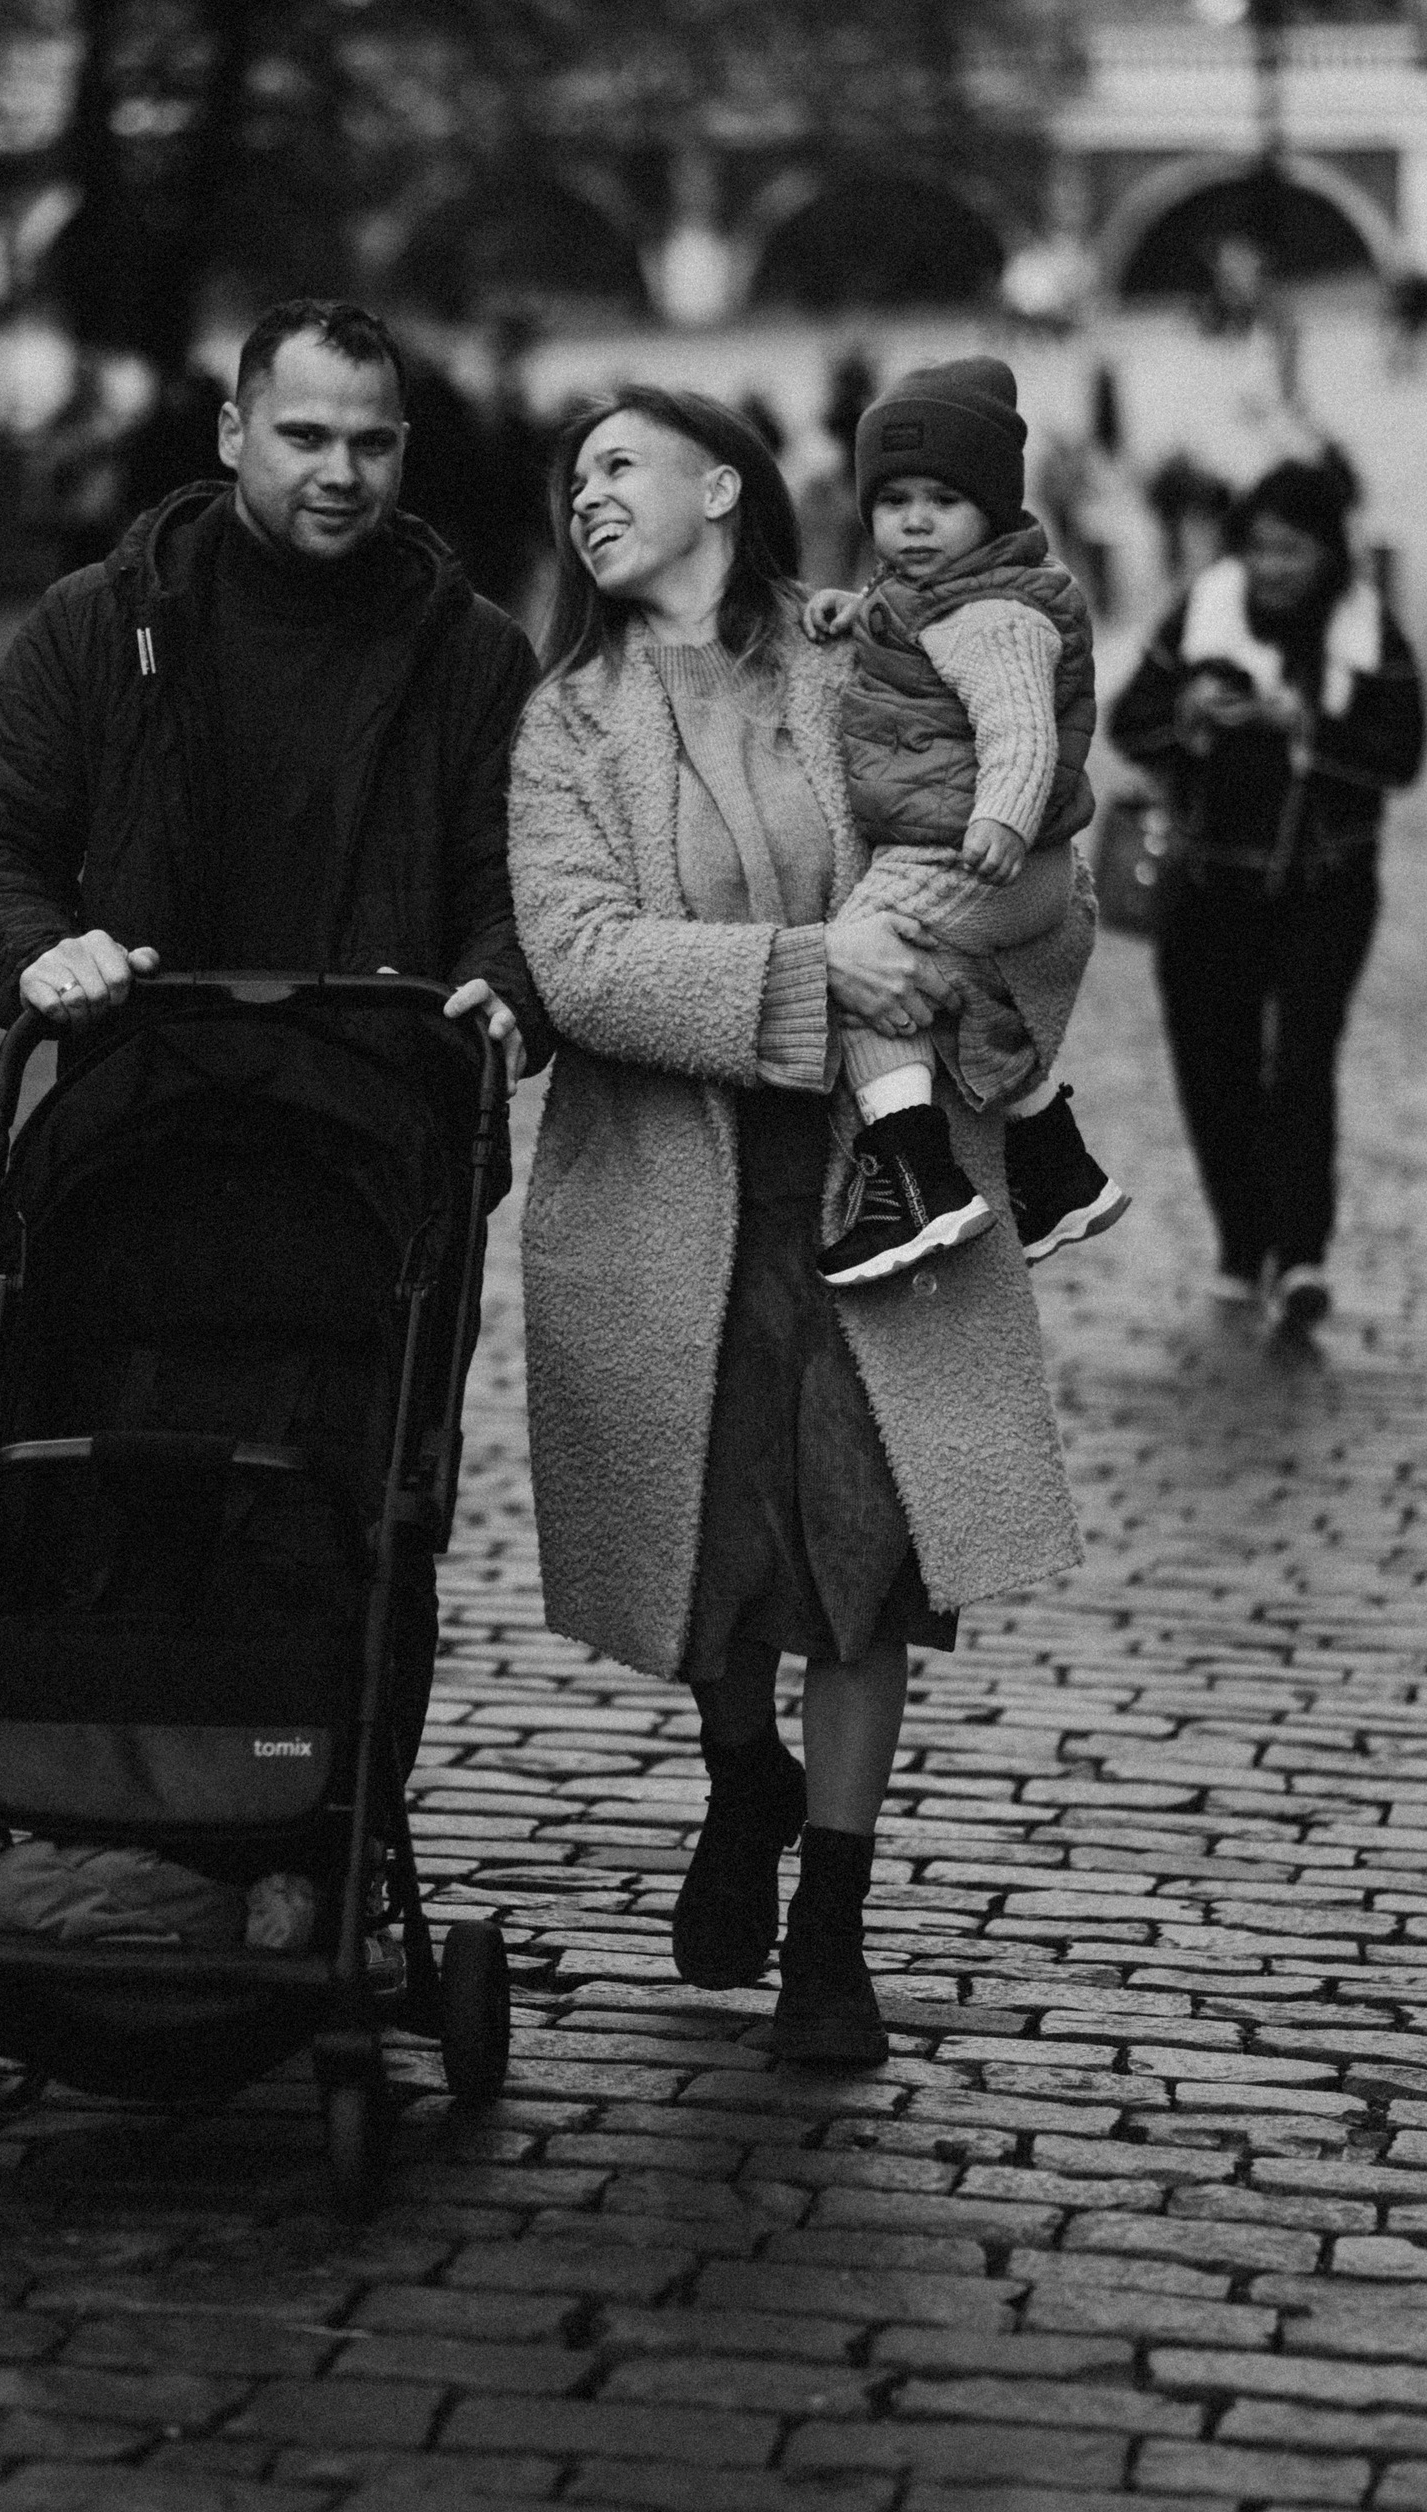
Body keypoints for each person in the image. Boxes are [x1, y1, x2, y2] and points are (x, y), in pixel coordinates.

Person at [508, 386, 1083, 2067]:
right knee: (713, 1548)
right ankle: (740, 1774)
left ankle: (832, 1920)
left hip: (879, 1183)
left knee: (862, 1557)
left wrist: (971, 949)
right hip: (669, 1196)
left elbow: (1026, 826)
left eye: (620, 463)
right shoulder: (567, 723)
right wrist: (814, 967)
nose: (587, 494)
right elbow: (581, 963)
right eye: (574, 476)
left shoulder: (860, 654)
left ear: (722, 488)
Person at [0, 294, 551, 1766]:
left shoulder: (473, 656)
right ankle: (68, 1789)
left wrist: (504, 992)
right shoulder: (101, 623)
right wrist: (42, 955)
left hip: (378, 1154)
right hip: (139, 1134)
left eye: (372, 444)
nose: (340, 472)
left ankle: (320, 1822)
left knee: (354, 1500)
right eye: (304, 436)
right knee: (94, 1472)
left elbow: (522, 885)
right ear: (231, 432)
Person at [801, 357, 1128, 1286]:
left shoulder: (993, 618)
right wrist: (856, 612)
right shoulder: (938, 596)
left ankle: (915, 1183)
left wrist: (1004, 820)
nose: (914, 520)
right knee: (952, 992)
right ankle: (1058, 1172)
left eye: (942, 501)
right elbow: (913, 636)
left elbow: (1020, 730)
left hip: (980, 854)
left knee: (860, 965)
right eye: (892, 500)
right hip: (988, 857)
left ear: (992, 510)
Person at [1107, 455, 1423, 1334]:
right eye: (1258, 548)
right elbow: (1131, 719)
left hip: (1325, 887)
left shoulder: (1368, 630)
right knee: (1213, 1068)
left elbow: (1401, 756)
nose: (1272, 568)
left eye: (1292, 551)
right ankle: (1243, 1244)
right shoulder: (1204, 609)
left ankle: (1301, 1256)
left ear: (1329, 551)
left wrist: (1306, 725)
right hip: (1208, 885)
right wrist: (1190, 715)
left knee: (1301, 1067)